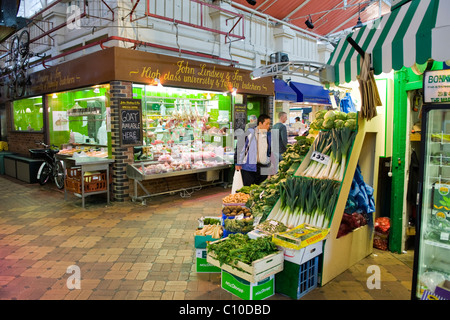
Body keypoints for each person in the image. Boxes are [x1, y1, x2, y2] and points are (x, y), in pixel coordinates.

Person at [235, 114, 272, 186]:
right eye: (267, 124)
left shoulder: (269, 135)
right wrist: (238, 163)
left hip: (263, 167)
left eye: (269, 124)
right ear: (260, 123)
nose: (268, 126)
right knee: (247, 191)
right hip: (249, 168)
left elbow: (270, 151)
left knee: (261, 190)